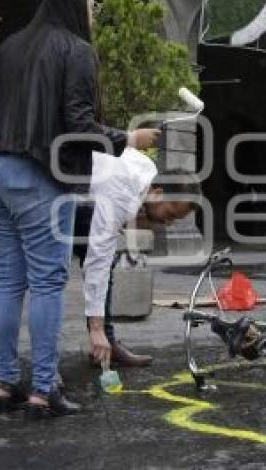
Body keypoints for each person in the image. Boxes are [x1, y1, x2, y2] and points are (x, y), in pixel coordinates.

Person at [0, 0, 161, 420]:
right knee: (46, 281)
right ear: (73, 2)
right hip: (36, 171)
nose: (93, 11)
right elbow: (78, 124)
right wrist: (129, 139)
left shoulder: (10, 45)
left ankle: (3, 386)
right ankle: (43, 390)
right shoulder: (76, 49)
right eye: (91, 2)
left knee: (6, 279)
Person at [74, 149, 199, 369]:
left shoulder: (145, 170)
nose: (168, 223)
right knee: (49, 279)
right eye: (170, 214)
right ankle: (44, 372)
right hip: (61, 200)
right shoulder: (123, 193)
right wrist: (96, 328)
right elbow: (97, 262)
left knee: (104, 263)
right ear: (158, 192)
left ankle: (108, 345)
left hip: (82, 196)